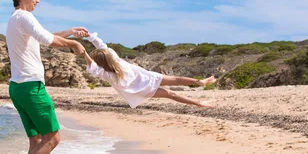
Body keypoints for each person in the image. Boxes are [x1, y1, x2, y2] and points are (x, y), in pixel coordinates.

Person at [6, 0, 87, 154]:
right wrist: (74, 44)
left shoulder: (17, 19)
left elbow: (44, 36)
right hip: (31, 87)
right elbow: (48, 39)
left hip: (18, 88)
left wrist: (70, 32)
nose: (38, 0)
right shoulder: (24, 16)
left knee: (37, 141)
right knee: (53, 138)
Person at [81, 32, 216, 108]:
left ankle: (201, 86)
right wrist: (88, 40)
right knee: (171, 91)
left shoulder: (108, 67)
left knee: (173, 86)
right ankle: (200, 96)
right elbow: (101, 48)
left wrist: (86, 47)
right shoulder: (108, 71)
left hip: (146, 80)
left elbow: (97, 54)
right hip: (142, 88)